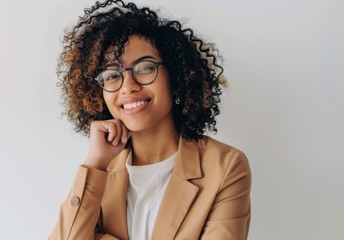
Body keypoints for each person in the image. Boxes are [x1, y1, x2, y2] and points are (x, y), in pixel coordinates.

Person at [49, 0, 251, 239]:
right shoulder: (99, 174)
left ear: (175, 76)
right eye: (112, 75)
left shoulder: (224, 167)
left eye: (144, 68)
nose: (128, 87)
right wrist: (95, 164)